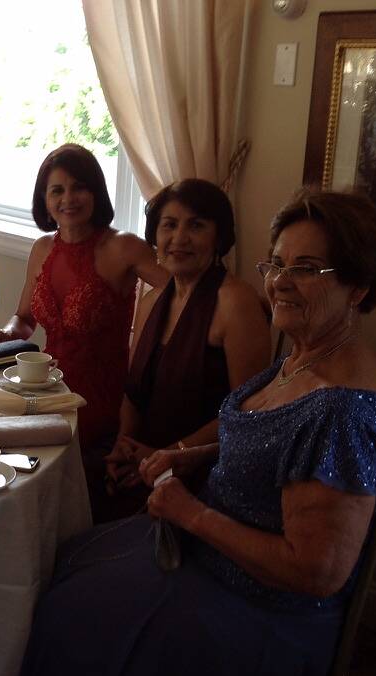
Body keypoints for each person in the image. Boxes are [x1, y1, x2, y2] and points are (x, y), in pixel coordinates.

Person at [1, 189, 376, 676]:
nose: (282, 282)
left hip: (253, 608)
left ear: (358, 287)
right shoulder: (304, 355)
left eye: (307, 268)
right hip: (208, 551)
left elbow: (315, 571)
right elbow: (269, 441)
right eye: (277, 264)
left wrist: (191, 514)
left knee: (68, 616)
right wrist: (187, 457)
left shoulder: (341, 412)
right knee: (69, 560)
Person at [0, 144, 168, 448]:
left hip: (102, 399)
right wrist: (6, 334)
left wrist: (147, 345)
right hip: (45, 387)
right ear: (44, 199)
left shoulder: (123, 247)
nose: (68, 199)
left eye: (79, 187)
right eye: (57, 190)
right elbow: (24, 319)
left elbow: (183, 291)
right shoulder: (42, 249)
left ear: (96, 192)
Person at [101, 179, 270, 520]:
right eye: (169, 225)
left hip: (203, 476)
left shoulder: (236, 303)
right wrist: (124, 446)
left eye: (196, 226)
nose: (179, 238)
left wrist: (170, 454)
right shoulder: (150, 301)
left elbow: (246, 413)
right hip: (147, 462)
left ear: (218, 237)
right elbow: (134, 391)